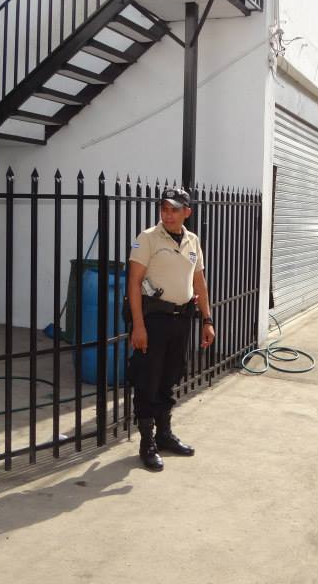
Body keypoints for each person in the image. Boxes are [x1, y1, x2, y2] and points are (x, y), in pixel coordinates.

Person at [127, 187, 215, 472]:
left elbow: (198, 281)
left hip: (182, 320)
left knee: (170, 376)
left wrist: (207, 320)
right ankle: (147, 442)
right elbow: (133, 283)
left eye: (175, 209)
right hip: (154, 320)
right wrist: (138, 326)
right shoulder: (148, 238)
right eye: (165, 208)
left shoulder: (192, 240)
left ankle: (164, 434)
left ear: (187, 212)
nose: (168, 213)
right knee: (147, 379)